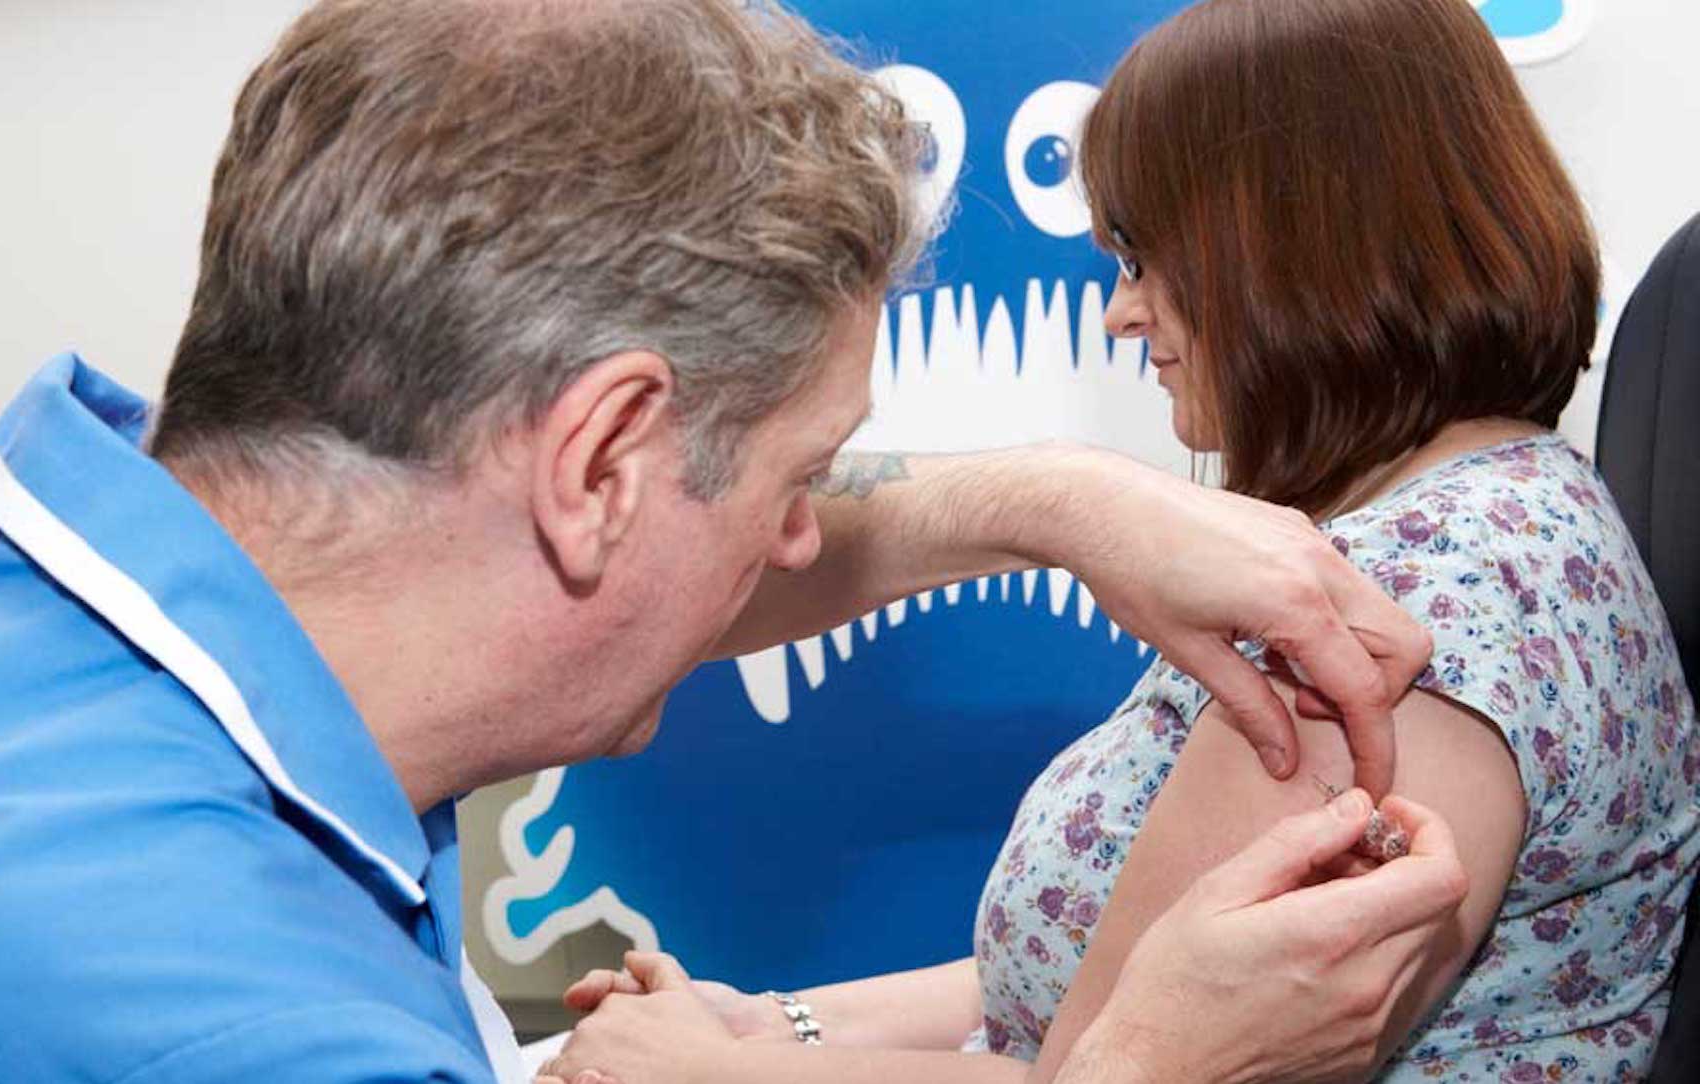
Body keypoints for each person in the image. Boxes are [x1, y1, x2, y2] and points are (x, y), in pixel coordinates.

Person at [0, 1, 1461, 1082]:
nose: (807, 530)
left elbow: (654, 556)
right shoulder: (238, 1024)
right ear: (597, 460)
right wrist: (1157, 1069)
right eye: (800, 470)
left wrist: (1061, 506)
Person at [541, 0, 1700, 1082]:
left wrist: (715, 1071)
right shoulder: (1417, 536)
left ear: (1298, 240)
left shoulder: (1417, 607)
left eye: (1142, 261)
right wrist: (774, 1027)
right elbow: (1075, 999)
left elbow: (1130, 1059)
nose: (1120, 311)